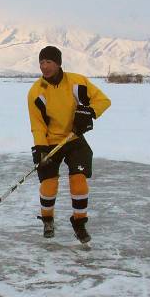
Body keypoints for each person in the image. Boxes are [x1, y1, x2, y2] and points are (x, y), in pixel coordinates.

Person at [27, 45, 111, 244]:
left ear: (58, 63)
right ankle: (48, 220)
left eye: (48, 62)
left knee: (79, 182)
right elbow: (37, 124)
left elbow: (103, 101)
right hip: (49, 142)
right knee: (48, 185)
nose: (44, 67)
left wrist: (88, 112)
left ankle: (79, 223)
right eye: (41, 62)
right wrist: (40, 148)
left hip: (74, 140)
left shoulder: (76, 82)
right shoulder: (36, 92)